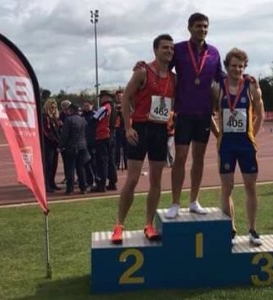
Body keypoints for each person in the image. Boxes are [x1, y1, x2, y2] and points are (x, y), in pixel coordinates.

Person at [111, 34, 176, 244]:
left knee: (156, 182)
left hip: (160, 131)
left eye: (171, 48)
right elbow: (126, 98)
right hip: (140, 129)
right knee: (132, 179)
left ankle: (148, 224)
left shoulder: (174, 78)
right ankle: (119, 225)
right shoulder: (142, 72)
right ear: (155, 50)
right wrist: (128, 127)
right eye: (165, 48)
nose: (169, 51)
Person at [165, 12, 225, 219]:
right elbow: (164, 68)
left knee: (198, 158)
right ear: (190, 28)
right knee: (180, 158)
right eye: (199, 26)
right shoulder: (179, 50)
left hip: (204, 113)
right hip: (183, 112)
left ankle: (193, 200)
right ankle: (174, 203)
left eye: (205, 26)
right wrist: (144, 67)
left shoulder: (214, 53)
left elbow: (222, 78)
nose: (203, 29)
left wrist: (244, 80)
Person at [212, 48, 265, 246]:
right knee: (227, 187)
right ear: (227, 66)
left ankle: (252, 229)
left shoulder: (252, 87)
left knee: (250, 187)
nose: (237, 69)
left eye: (240, 66)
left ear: (245, 67)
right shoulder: (218, 87)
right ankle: (230, 229)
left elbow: (261, 114)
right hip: (226, 145)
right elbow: (210, 113)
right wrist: (218, 134)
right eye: (233, 66)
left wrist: (252, 136)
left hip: (246, 145)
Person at [59, 103, 89, 195]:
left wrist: (61, 145)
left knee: (70, 168)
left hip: (71, 147)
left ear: (71, 110)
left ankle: (70, 189)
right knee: (81, 168)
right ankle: (83, 187)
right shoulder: (83, 120)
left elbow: (65, 135)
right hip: (82, 146)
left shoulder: (69, 120)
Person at [91, 90, 115, 193]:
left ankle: (101, 184)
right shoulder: (113, 108)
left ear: (106, 97)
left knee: (102, 161)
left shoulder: (104, 108)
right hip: (111, 136)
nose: (100, 99)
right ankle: (112, 182)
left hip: (102, 136)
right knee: (111, 160)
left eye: (102, 97)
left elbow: (94, 120)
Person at [42, 99, 61, 193]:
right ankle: (46, 184)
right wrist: (54, 140)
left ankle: (52, 182)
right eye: (51, 107)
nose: (53, 109)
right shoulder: (45, 117)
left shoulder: (55, 118)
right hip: (48, 145)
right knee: (48, 165)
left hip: (55, 145)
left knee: (54, 164)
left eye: (54, 107)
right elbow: (46, 132)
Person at [82, 100, 97, 189]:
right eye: (85, 106)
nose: (86, 107)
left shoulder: (94, 116)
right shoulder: (82, 116)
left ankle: (94, 179)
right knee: (86, 162)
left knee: (93, 162)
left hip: (93, 142)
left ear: (92, 106)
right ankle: (89, 180)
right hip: (84, 142)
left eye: (88, 106)